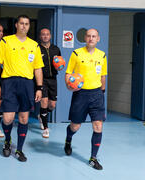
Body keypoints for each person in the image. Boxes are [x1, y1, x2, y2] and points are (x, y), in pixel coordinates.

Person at [0, 15, 44, 162]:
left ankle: (20, 149)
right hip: (9, 83)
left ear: (29, 26)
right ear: (16, 25)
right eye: (21, 23)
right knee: (8, 118)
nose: (24, 26)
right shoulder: (6, 41)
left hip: (27, 84)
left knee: (23, 118)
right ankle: (8, 140)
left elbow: (38, 69)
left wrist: (39, 88)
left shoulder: (34, 45)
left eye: (27, 24)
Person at [64, 28, 107, 170]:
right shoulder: (76, 53)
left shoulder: (102, 55)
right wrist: (69, 86)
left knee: (98, 126)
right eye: (88, 36)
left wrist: (102, 92)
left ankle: (93, 158)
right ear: (85, 38)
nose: (91, 38)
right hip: (80, 94)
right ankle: (68, 138)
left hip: (96, 95)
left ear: (98, 38)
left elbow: (103, 76)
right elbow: (68, 73)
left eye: (94, 36)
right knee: (75, 126)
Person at [38, 28, 61, 138]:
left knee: (52, 105)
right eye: (43, 34)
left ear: (50, 36)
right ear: (40, 36)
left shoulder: (56, 49)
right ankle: (46, 128)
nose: (45, 36)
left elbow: (59, 64)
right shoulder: (37, 49)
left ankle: (42, 115)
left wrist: (60, 67)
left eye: (47, 34)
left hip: (53, 79)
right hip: (42, 79)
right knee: (44, 101)